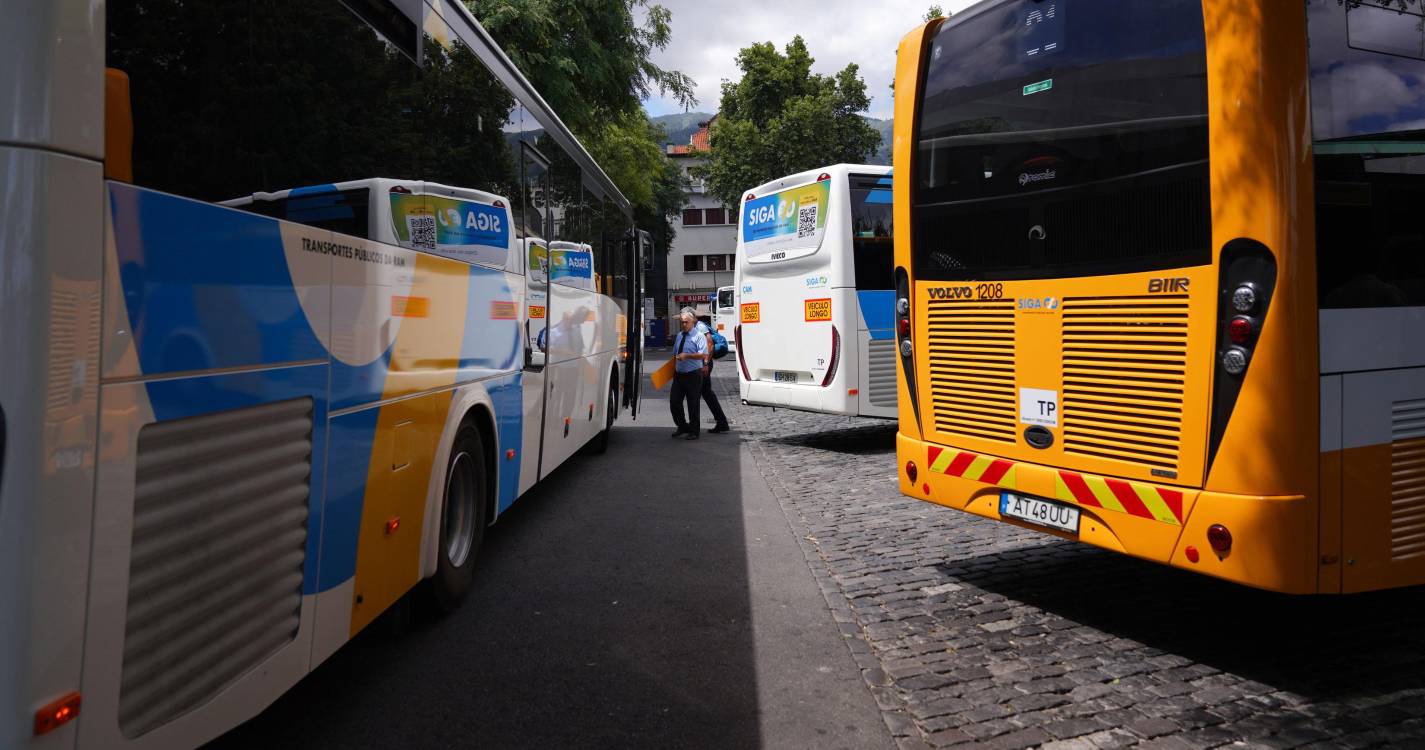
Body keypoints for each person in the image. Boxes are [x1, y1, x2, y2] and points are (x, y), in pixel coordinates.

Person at [681, 306, 730, 434]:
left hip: (703, 363)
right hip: (701, 363)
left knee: (696, 394)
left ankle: (693, 428)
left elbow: (710, 345)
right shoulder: (693, 327)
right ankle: (722, 422)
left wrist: (706, 363)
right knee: (707, 393)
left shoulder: (700, 326)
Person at [670, 311, 708, 440]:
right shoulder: (680, 335)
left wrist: (687, 355)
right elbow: (675, 353)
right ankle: (682, 426)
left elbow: (703, 354)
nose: (684, 325)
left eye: (686, 322)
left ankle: (694, 431)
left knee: (693, 403)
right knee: (674, 402)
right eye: (682, 322)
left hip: (693, 374)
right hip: (679, 374)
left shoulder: (699, 336)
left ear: (693, 322)